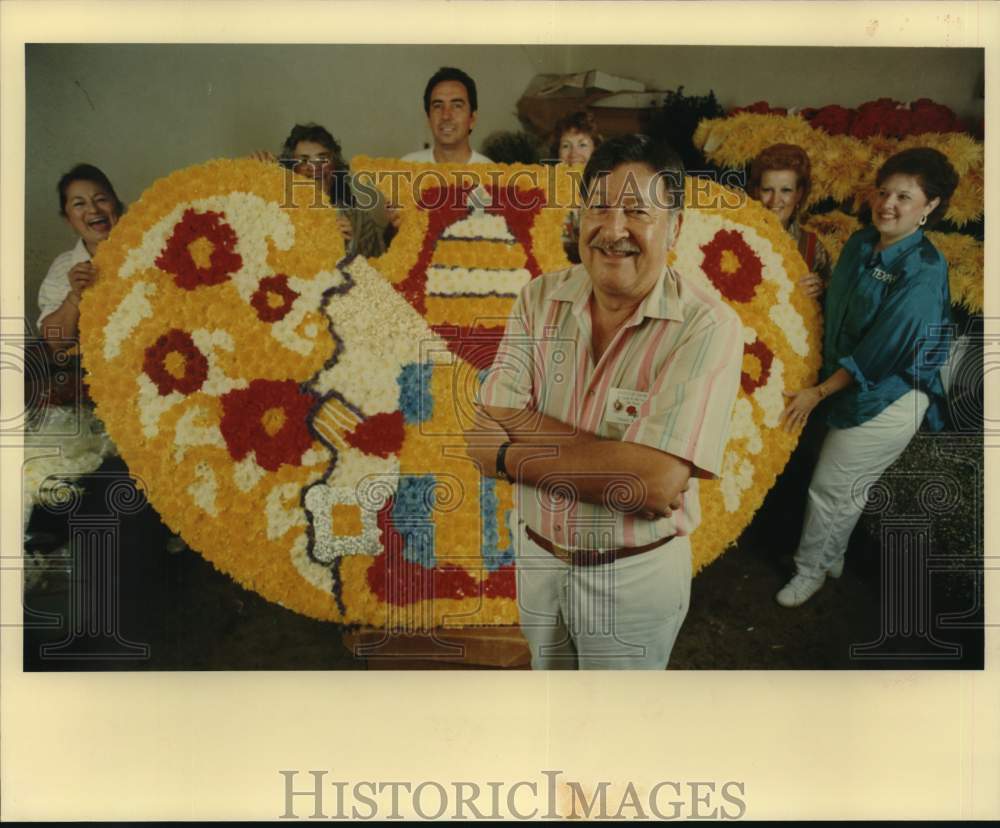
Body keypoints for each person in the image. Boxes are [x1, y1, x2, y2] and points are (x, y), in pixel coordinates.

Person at [466, 135, 743, 669]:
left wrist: (507, 458)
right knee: (552, 710)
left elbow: (654, 484)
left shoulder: (707, 326)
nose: (614, 230)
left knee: (617, 735)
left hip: (633, 577)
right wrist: (620, 460)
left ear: (675, 227)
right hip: (538, 558)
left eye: (637, 212)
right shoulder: (538, 298)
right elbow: (496, 416)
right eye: (599, 208)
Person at [775, 147, 959, 607]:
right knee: (847, 486)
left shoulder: (924, 271)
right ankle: (831, 554)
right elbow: (845, 309)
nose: (888, 204)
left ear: (930, 207)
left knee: (828, 489)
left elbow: (878, 356)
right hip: (846, 383)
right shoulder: (861, 243)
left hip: (890, 395)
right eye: (884, 192)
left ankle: (809, 570)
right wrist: (819, 290)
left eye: (904, 197)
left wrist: (816, 393)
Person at [252, 123, 389, 258]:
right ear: (291, 169)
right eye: (304, 161)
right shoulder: (275, 212)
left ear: (335, 165)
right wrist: (253, 173)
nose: (315, 167)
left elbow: (379, 272)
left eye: (323, 158)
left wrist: (350, 247)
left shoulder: (360, 218)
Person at [37, 164, 124, 351]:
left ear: (116, 206)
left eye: (101, 199)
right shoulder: (63, 265)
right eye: (79, 204)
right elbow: (55, 342)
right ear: (68, 219)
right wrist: (76, 295)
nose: (93, 210)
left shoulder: (151, 249)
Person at [747, 143, 833, 298]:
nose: (775, 200)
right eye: (767, 190)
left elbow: (835, 304)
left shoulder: (812, 247)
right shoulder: (737, 234)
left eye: (785, 190)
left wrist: (821, 290)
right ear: (756, 191)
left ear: (799, 194)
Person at [401, 67, 492, 164]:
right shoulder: (406, 168)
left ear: (472, 119)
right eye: (438, 106)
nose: (446, 116)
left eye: (457, 106)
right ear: (428, 119)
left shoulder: (492, 175)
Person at [551, 111, 603, 264]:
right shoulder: (546, 187)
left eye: (582, 144)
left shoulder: (611, 187)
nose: (574, 153)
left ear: (595, 149)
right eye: (566, 145)